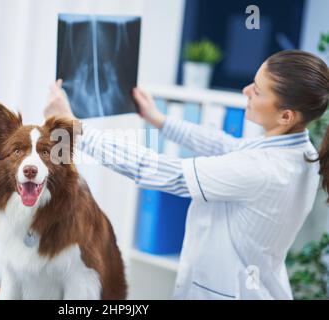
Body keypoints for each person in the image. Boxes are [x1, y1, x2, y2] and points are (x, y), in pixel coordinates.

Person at [43, 50, 329, 299]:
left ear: (286, 116)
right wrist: (161, 121)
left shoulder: (265, 169)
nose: (245, 91)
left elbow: (160, 172)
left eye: (257, 90)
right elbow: (224, 145)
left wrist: (77, 130)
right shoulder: (300, 150)